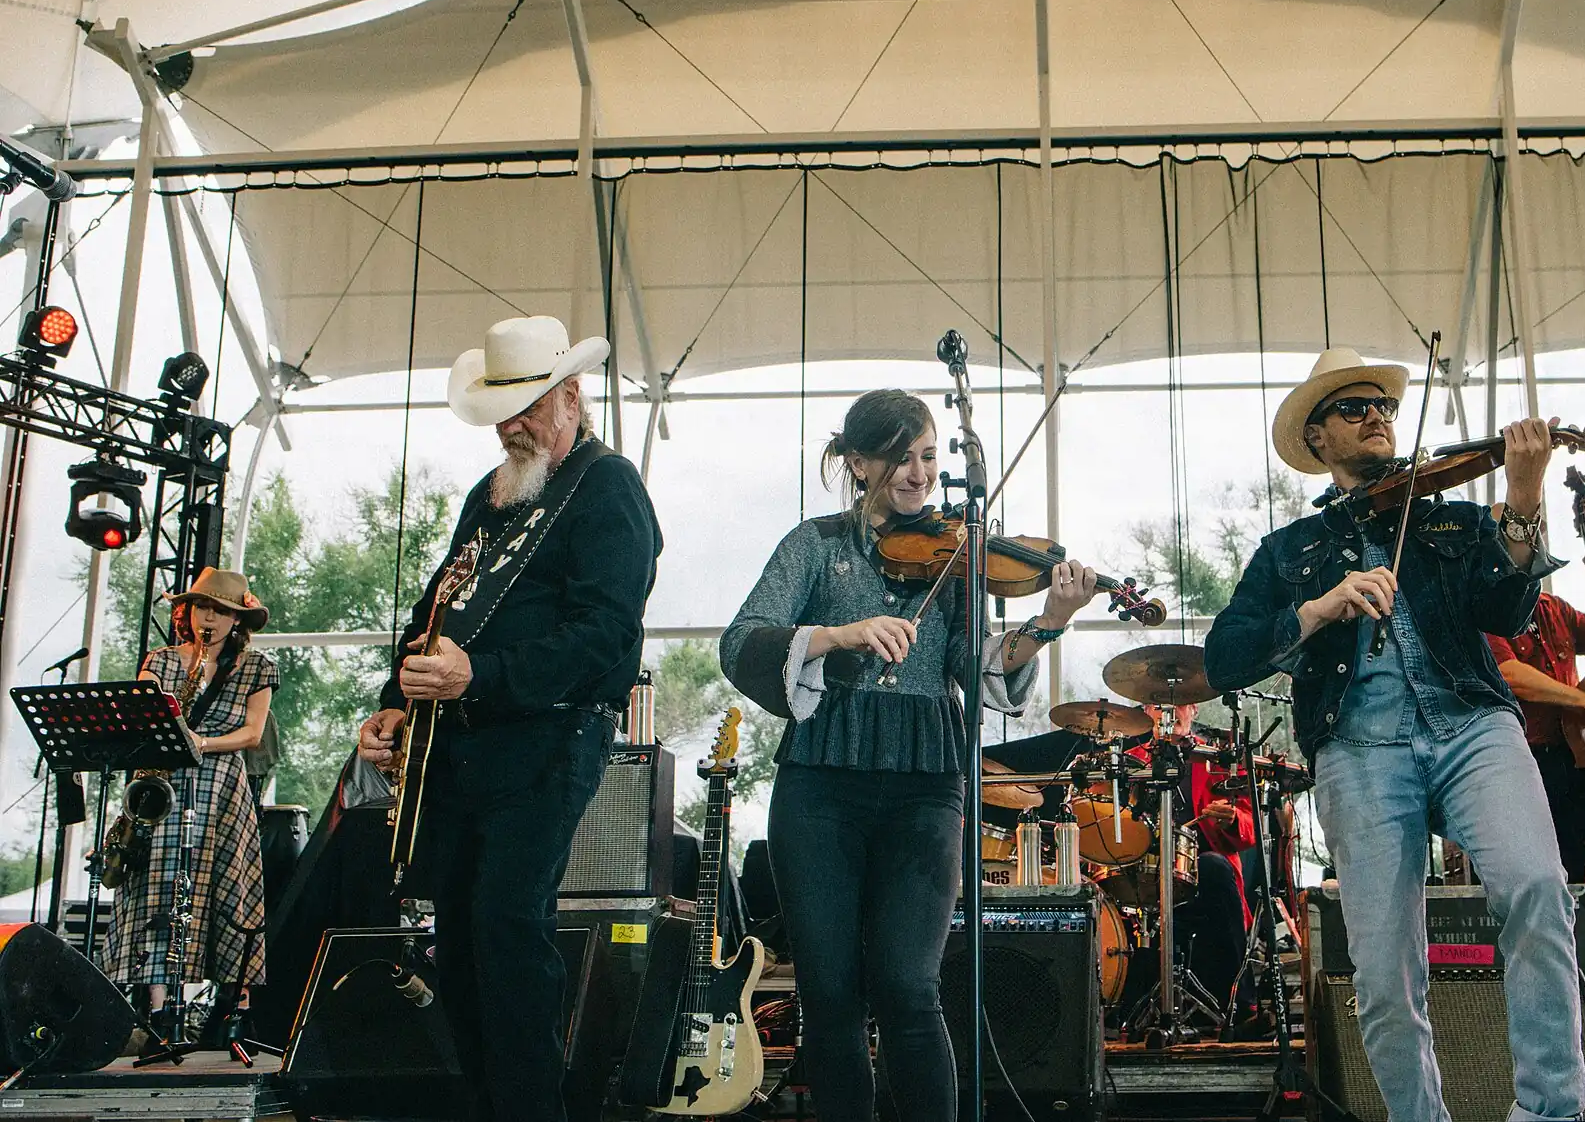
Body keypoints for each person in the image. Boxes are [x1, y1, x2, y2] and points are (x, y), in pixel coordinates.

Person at [1205, 345, 1585, 1122]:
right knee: (1382, 976)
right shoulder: (1289, 551)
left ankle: (1549, 1112)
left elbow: (1507, 610)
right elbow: (1224, 656)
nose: (1377, 416)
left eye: (1383, 405)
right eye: (1354, 407)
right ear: (1318, 437)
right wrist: (1320, 607)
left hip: (1471, 724)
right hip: (1359, 747)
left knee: (1539, 887)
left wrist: (1522, 497)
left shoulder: (1449, 514)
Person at [721, 388, 1102, 1122]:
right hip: (820, 784)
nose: (920, 474)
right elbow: (741, 640)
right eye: (900, 458)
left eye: (928, 456)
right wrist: (840, 635)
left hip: (926, 782)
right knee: (830, 994)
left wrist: (1050, 619)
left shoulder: (957, 553)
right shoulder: (815, 545)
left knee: (907, 986)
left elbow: (978, 664)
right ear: (857, 462)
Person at [356, 316, 662, 1122]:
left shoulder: (608, 486)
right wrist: (396, 700)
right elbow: (436, 611)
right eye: (502, 409)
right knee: (456, 936)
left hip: (552, 739)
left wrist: (479, 674)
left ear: (571, 398)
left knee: (506, 923)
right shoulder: (487, 498)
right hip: (462, 747)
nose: (511, 425)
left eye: (527, 407)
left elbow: (606, 634)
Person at [103, 567, 277, 1049]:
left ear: (237, 620)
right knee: (156, 890)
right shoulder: (160, 661)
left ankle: (232, 1013)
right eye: (203, 608)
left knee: (229, 889)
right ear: (189, 612)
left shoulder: (257, 667)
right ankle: (158, 1012)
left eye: (221, 611)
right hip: (164, 784)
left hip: (222, 786)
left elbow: (253, 734)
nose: (209, 619)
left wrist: (202, 742)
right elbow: (141, 719)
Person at [1485, 538, 1585, 882]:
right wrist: (1582, 700)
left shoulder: (1556, 608)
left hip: (1576, 754)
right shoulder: (1489, 613)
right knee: (1543, 858)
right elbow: (1509, 674)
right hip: (1527, 757)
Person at [1128, 703, 1255, 1022]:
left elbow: (1251, 827)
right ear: (1147, 710)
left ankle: (1240, 1005)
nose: (1170, 711)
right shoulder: (1129, 761)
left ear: (1194, 709)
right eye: (1160, 705)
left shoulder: (1216, 759)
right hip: (1139, 866)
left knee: (1214, 867)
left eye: (1180, 703)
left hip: (1202, 869)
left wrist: (1232, 820)